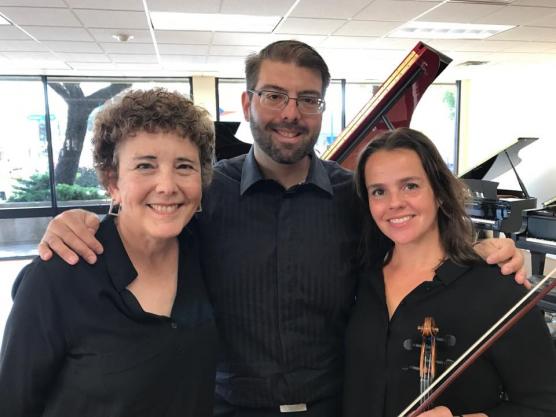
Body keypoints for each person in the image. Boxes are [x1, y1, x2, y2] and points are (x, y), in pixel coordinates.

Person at [36, 41, 526, 416]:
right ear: (248, 102)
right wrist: (84, 220)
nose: (290, 113)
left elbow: (416, 244)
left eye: (308, 99)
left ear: (320, 110)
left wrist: (483, 252)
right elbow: (148, 217)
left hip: (336, 407)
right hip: (226, 408)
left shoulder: (353, 197)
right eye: (274, 95)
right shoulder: (206, 194)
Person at [0, 88, 218, 417]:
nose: (167, 185)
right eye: (146, 166)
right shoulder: (60, 276)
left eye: (184, 166)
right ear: (112, 181)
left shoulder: (206, 253)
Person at [344, 127, 556, 417]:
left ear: (440, 193)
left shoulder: (496, 288)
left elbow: (545, 404)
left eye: (410, 186)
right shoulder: (357, 282)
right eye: (379, 191)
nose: (394, 203)